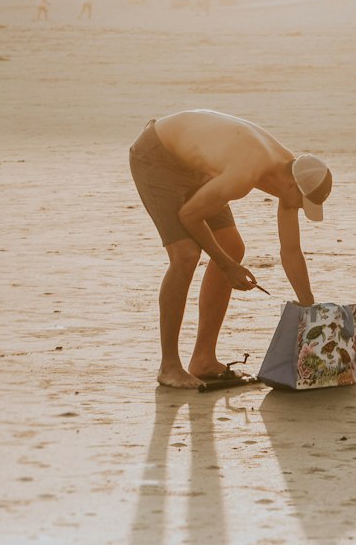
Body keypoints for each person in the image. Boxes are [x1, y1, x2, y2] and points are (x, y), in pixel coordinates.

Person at [129, 109, 333, 389]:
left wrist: (309, 308)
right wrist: (227, 266)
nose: (299, 207)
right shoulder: (246, 171)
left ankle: (203, 359)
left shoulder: (290, 170)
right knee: (185, 254)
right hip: (159, 155)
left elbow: (291, 251)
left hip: (196, 165)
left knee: (232, 246)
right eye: (302, 201)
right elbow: (190, 216)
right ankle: (169, 366)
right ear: (292, 184)